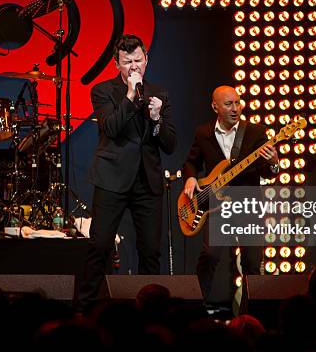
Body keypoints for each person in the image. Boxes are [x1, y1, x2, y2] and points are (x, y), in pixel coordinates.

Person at [78, 34, 177, 309]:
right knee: (99, 246)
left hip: (147, 180)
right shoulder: (103, 91)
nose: (134, 67)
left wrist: (156, 119)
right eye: (127, 62)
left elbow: (170, 143)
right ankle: (85, 309)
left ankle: (150, 310)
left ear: (147, 60)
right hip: (112, 177)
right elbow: (110, 128)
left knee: (150, 250)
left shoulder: (160, 94)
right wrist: (132, 95)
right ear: (117, 64)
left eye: (138, 60)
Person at [182, 86, 279, 301]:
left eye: (238, 102)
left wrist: (273, 164)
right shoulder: (203, 132)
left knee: (252, 263)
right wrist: (190, 177)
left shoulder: (255, 131)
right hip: (217, 206)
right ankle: (197, 309)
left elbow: (267, 172)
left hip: (247, 205)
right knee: (209, 257)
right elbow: (191, 161)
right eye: (229, 104)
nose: (235, 108)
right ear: (214, 106)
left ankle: (252, 313)